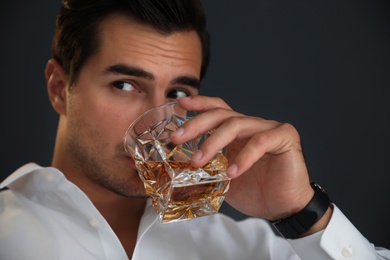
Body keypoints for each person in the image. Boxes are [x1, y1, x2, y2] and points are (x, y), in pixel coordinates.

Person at [0, 0, 388, 259]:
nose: (156, 121)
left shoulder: (246, 247)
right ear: (58, 90)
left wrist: (301, 213)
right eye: (125, 84)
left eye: (178, 92)